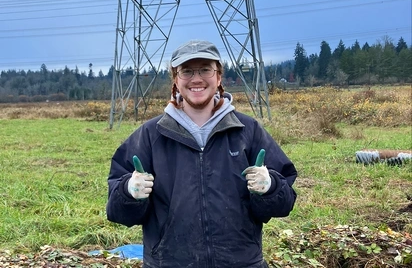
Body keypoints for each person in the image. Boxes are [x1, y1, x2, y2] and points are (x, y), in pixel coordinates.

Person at [106, 39, 298, 268]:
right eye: (186, 71)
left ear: (218, 77)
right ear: (176, 80)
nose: (196, 79)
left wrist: (271, 188)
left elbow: (284, 204)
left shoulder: (248, 131)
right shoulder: (150, 136)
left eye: (205, 69)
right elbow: (118, 212)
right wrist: (129, 192)